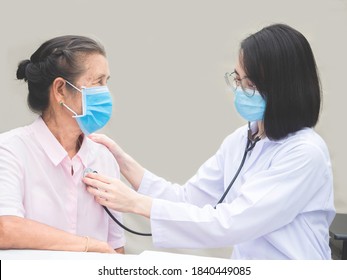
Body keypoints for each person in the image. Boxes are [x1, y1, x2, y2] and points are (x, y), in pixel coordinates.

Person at [83, 24, 335, 259]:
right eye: (237, 78)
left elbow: (232, 222)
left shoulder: (305, 153)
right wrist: (124, 163)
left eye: (248, 83)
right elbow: (188, 199)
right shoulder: (243, 139)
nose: (239, 89)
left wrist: (135, 203)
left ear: (281, 88)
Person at [0, 35, 125, 253]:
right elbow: (6, 229)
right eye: (97, 82)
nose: (105, 93)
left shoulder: (104, 158)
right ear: (60, 90)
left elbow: (116, 251)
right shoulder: (10, 151)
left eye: (106, 82)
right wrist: (89, 246)